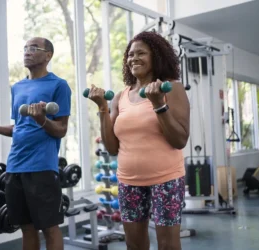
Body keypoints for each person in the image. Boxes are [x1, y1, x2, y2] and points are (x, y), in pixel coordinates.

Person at [88, 31, 190, 250]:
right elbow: (112, 147)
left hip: (167, 179)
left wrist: (158, 105)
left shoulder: (171, 88)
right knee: (134, 244)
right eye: (130, 54)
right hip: (128, 180)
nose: (134, 58)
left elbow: (180, 140)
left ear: (156, 56)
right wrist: (103, 109)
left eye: (141, 53)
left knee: (168, 245)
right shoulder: (120, 97)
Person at [0, 37, 71, 250]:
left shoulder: (59, 85)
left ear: (48, 55)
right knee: (26, 227)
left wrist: (42, 119)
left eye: (34, 48)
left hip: (42, 167)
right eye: (25, 48)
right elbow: (19, 128)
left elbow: (61, 130)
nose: (27, 52)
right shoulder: (17, 87)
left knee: (50, 228)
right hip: (15, 166)